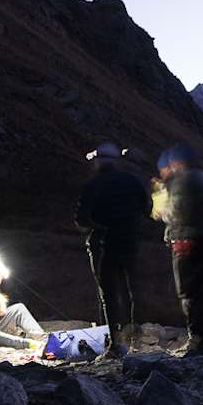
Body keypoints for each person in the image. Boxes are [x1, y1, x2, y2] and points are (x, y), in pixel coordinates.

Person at [74, 142, 151, 359]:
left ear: (99, 162)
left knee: (108, 293)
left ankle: (114, 343)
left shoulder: (92, 185)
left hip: (103, 245)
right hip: (130, 242)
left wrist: (97, 226)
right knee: (131, 291)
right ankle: (134, 340)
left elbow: (81, 219)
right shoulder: (132, 181)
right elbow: (147, 208)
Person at [152, 143, 203, 357]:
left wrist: (160, 196)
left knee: (188, 291)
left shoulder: (180, 182)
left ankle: (196, 339)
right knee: (201, 289)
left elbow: (170, 214)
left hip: (184, 240)